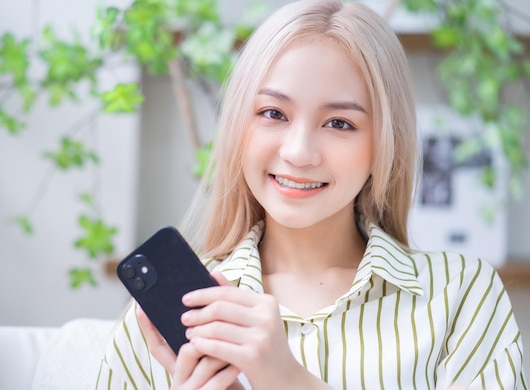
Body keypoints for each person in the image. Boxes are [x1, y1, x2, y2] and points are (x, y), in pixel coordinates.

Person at [96, 0, 527, 388]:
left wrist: (289, 381)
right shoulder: (163, 321)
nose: (299, 152)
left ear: (384, 144)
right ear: (238, 129)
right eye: (272, 113)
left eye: (339, 123)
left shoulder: (460, 294)